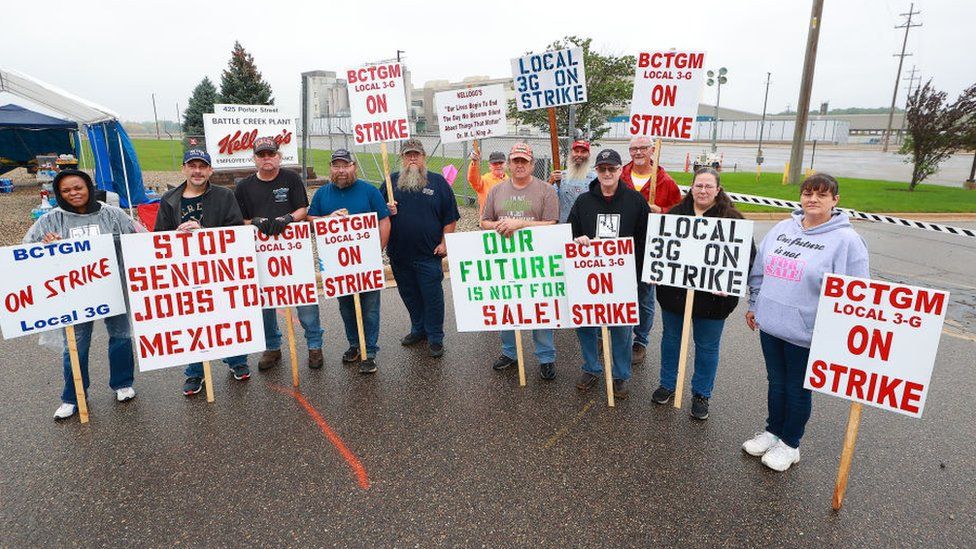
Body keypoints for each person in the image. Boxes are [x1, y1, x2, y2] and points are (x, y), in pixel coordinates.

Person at [742, 173, 870, 472]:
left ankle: (790, 443)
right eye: (808, 193)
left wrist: (841, 332)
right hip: (771, 324)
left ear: (835, 200)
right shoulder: (782, 228)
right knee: (776, 382)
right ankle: (773, 431)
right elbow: (760, 270)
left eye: (822, 195)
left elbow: (857, 292)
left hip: (807, 332)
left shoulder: (846, 240)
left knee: (797, 388)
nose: (813, 199)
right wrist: (754, 304)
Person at [24, 169, 138, 420]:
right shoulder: (50, 220)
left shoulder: (113, 214)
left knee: (120, 336)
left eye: (78, 188)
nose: (73, 193)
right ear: (59, 194)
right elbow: (27, 250)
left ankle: (122, 383)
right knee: (75, 344)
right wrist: (45, 245)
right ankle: (72, 396)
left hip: (113, 288)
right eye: (66, 190)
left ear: (88, 187)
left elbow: (137, 241)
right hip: (74, 294)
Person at [650, 168, 755, 420]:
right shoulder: (675, 215)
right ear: (692, 188)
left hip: (713, 301)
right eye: (699, 186)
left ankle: (701, 394)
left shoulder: (733, 220)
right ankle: (667, 384)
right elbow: (659, 248)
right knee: (671, 341)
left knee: (707, 348)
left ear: (718, 190)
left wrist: (730, 281)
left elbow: (747, 258)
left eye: (709, 186)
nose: (703, 191)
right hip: (675, 296)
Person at [155, 150, 250, 396]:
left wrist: (204, 230)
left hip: (218, 269)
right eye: (192, 165)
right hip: (185, 272)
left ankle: (236, 360)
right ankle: (195, 371)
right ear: (184, 168)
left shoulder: (224, 195)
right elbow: (158, 237)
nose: (197, 171)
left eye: (202, 166)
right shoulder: (169, 199)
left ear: (210, 171)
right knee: (193, 322)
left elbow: (235, 229)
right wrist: (176, 235)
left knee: (226, 316)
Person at [234, 137, 324, 370]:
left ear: (279, 156)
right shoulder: (244, 187)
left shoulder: (290, 178)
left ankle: (314, 345)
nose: (267, 159)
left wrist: (288, 218)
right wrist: (254, 221)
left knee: (305, 300)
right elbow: (237, 220)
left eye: (271, 154)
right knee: (265, 304)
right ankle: (272, 347)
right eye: (261, 155)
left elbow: (303, 208)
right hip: (261, 253)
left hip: (293, 250)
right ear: (254, 158)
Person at [567, 149, 650, 398]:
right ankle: (591, 367)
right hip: (588, 277)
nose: (606, 173)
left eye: (611, 169)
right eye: (602, 168)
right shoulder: (583, 201)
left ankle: (621, 375)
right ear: (597, 171)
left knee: (622, 329)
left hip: (624, 279)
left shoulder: (635, 201)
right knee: (585, 324)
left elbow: (646, 240)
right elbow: (569, 233)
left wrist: (641, 274)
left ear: (619, 171)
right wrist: (577, 240)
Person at [307, 149, 391, 374]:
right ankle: (355, 344)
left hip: (366, 262)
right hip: (338, 265)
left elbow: (384, 220)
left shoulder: (369, 191)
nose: (341, 170)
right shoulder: (322, 193)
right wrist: (326, 219)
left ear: (353, 166)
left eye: (346, 165)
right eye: (337, 166)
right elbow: (311, 220)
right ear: (331, 168)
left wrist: (378, 249)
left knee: (370, 307)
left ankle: (370, 351)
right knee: (346, 307)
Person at [481, 143, 560, 380]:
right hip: (506, 261)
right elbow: (484, 221)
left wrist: (520, 224)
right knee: (508, 306)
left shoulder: (546, 190)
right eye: (515, 160)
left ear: (532, 164)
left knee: (540, 308)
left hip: (536, 261)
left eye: (524, 161)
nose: (519, 165)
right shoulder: (496, 190)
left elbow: (552, 224)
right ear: (509, 163)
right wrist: (499, 225)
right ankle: (509, 352)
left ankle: (546, 357)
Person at [383, 138, 460, 358]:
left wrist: (446, 242)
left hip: (428, 254)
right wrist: (387, 210)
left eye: (417, 154)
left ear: (424, 157)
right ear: (402, 158)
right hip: (399, 255)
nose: (413, 158)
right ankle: (419, 329)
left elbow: (450, 217)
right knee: (410, 295)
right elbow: (379, 218)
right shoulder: (390, 184)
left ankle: (435, 337)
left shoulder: (438, 183)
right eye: (408, 155)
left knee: (432, 296)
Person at [620, 136, 683, 365]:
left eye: (642, 148)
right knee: (615, 291)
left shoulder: (665, 181)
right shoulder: (620, 175)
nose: (638, 152)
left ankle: (640, 340)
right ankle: (611, 335)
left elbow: (680, 215)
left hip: (649, 248)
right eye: (633, 148)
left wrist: (662, 211)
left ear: (652, 150)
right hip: (620, 246)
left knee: (644, 297)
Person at [550, 139, 595, 223]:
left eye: (583, 152)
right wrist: (551, 181)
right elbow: (547, 199)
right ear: (571, 153)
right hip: (564, 227)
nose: (579, 155)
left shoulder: (594, 179)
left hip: (586, 227)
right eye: (576, 151)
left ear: (588, 155)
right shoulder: (560, 177)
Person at [466, 150, 507, 215]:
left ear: (505, 164)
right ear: (490, 166)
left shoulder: (509, 181)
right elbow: (473, 179)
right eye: (495, 163)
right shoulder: (484, 180)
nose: (498, 165)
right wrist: (474, 162)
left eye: (501, 163)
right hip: (488, 221)